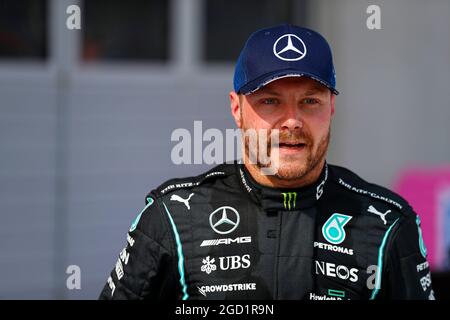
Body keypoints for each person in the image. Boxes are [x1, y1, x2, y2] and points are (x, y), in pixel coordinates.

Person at [99, 24, 434, 300]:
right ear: (236, 108)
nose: (292, 121)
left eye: (310, 101)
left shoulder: (388, 223)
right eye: (270, 101)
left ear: (331, 107)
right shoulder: (172, 217)